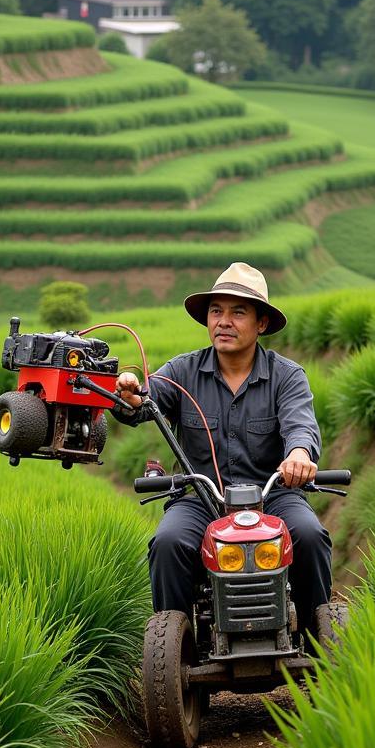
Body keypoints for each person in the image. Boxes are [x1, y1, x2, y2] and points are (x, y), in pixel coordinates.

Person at [113, 262, 332, 634]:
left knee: (310, 535)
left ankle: (317, 641)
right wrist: (130, 394)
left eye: (238, 312)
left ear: (261, 323)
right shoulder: (183, 372)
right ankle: (176, 646)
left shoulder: (287, 376)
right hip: (200, 499)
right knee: (167, 542)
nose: (224, 321)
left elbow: (301, 425)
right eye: (216, 311)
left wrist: (299, 456)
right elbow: (144, 401)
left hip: (274, 496)